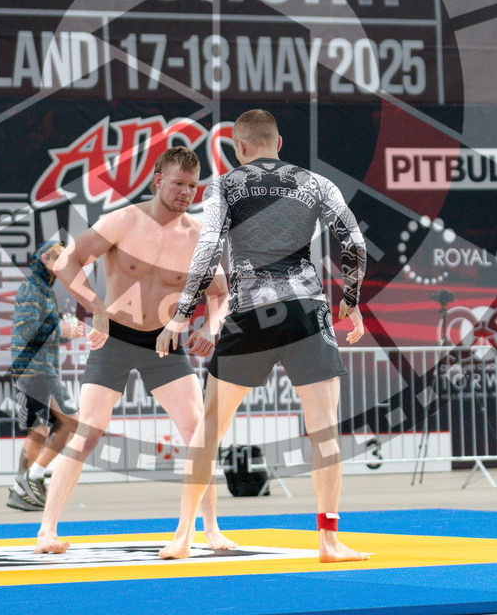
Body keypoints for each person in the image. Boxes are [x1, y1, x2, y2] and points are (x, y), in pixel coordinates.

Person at [156, 109, 369, 563]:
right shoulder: (315, 183)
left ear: (241, 148)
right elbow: (353, 242)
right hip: (307, 312)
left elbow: (208, 247)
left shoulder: (228, 185)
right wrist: (350, 299)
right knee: (324, 433)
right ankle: (329, 541)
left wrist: (180, 315)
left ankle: (182, 537)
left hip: (250, 311)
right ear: (280, 142)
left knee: (209, 430)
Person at [34, 146, 233, 554]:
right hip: (117, 339)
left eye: (193, 186)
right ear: (158, 179)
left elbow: (221, 294)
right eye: (178, 183)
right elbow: (67, 262)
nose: (185, 193)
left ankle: (210, 530)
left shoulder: (198, 237)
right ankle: (47, 531)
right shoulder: (124, 221)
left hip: (164, 342)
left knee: (199, 431)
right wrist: (95, 307)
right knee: (88, 431)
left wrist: (211, 328)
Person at [6, 239, 85, 511]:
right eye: (59, 257)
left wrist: (65, 334)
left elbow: (40, 334)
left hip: (39, 368)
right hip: (34, 369)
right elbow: (27, 332)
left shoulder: (43, 289)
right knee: (70, 422)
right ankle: (32, 478)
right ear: (46, 260)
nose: (65, 262)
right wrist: (62, 332)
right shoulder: (32, 288)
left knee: (39, 430)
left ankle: (22, 487)